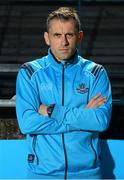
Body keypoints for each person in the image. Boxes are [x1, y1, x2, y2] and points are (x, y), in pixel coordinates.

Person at [16, 7, 112, 179]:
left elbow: (100, 121)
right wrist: (82, 118)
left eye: (70, 35)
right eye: (57, 35)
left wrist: (54, 111)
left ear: (79, 37)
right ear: (47, 38)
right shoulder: (30, 72)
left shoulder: (96, 73)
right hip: (43, 173)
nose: (64, 42)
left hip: (87, 174)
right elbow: (27, 123)